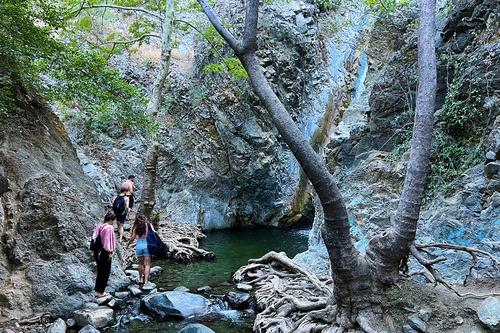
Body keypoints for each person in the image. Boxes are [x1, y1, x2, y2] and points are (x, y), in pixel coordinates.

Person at [92, 212, 116, 297]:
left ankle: (97, 290)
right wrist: (109, 252)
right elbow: (107, 242)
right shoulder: (109, 228)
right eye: (114, 220)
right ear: (110, 219)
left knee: (100, 271)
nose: (114, 222)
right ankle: (101, 292)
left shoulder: (99, 226)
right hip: (105, 252)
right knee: (106, 272)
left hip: (97, 251)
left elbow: (94, 237)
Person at [127, 214, 153, 288]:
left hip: (139, 246)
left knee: (140, 264)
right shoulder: (147, 225)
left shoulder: (136, 227)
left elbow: (132, 238)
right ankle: (146, 282)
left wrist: (128, 245)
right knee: (147, 264)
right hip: (146, 245)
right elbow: (153, 233)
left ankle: (141, 278)